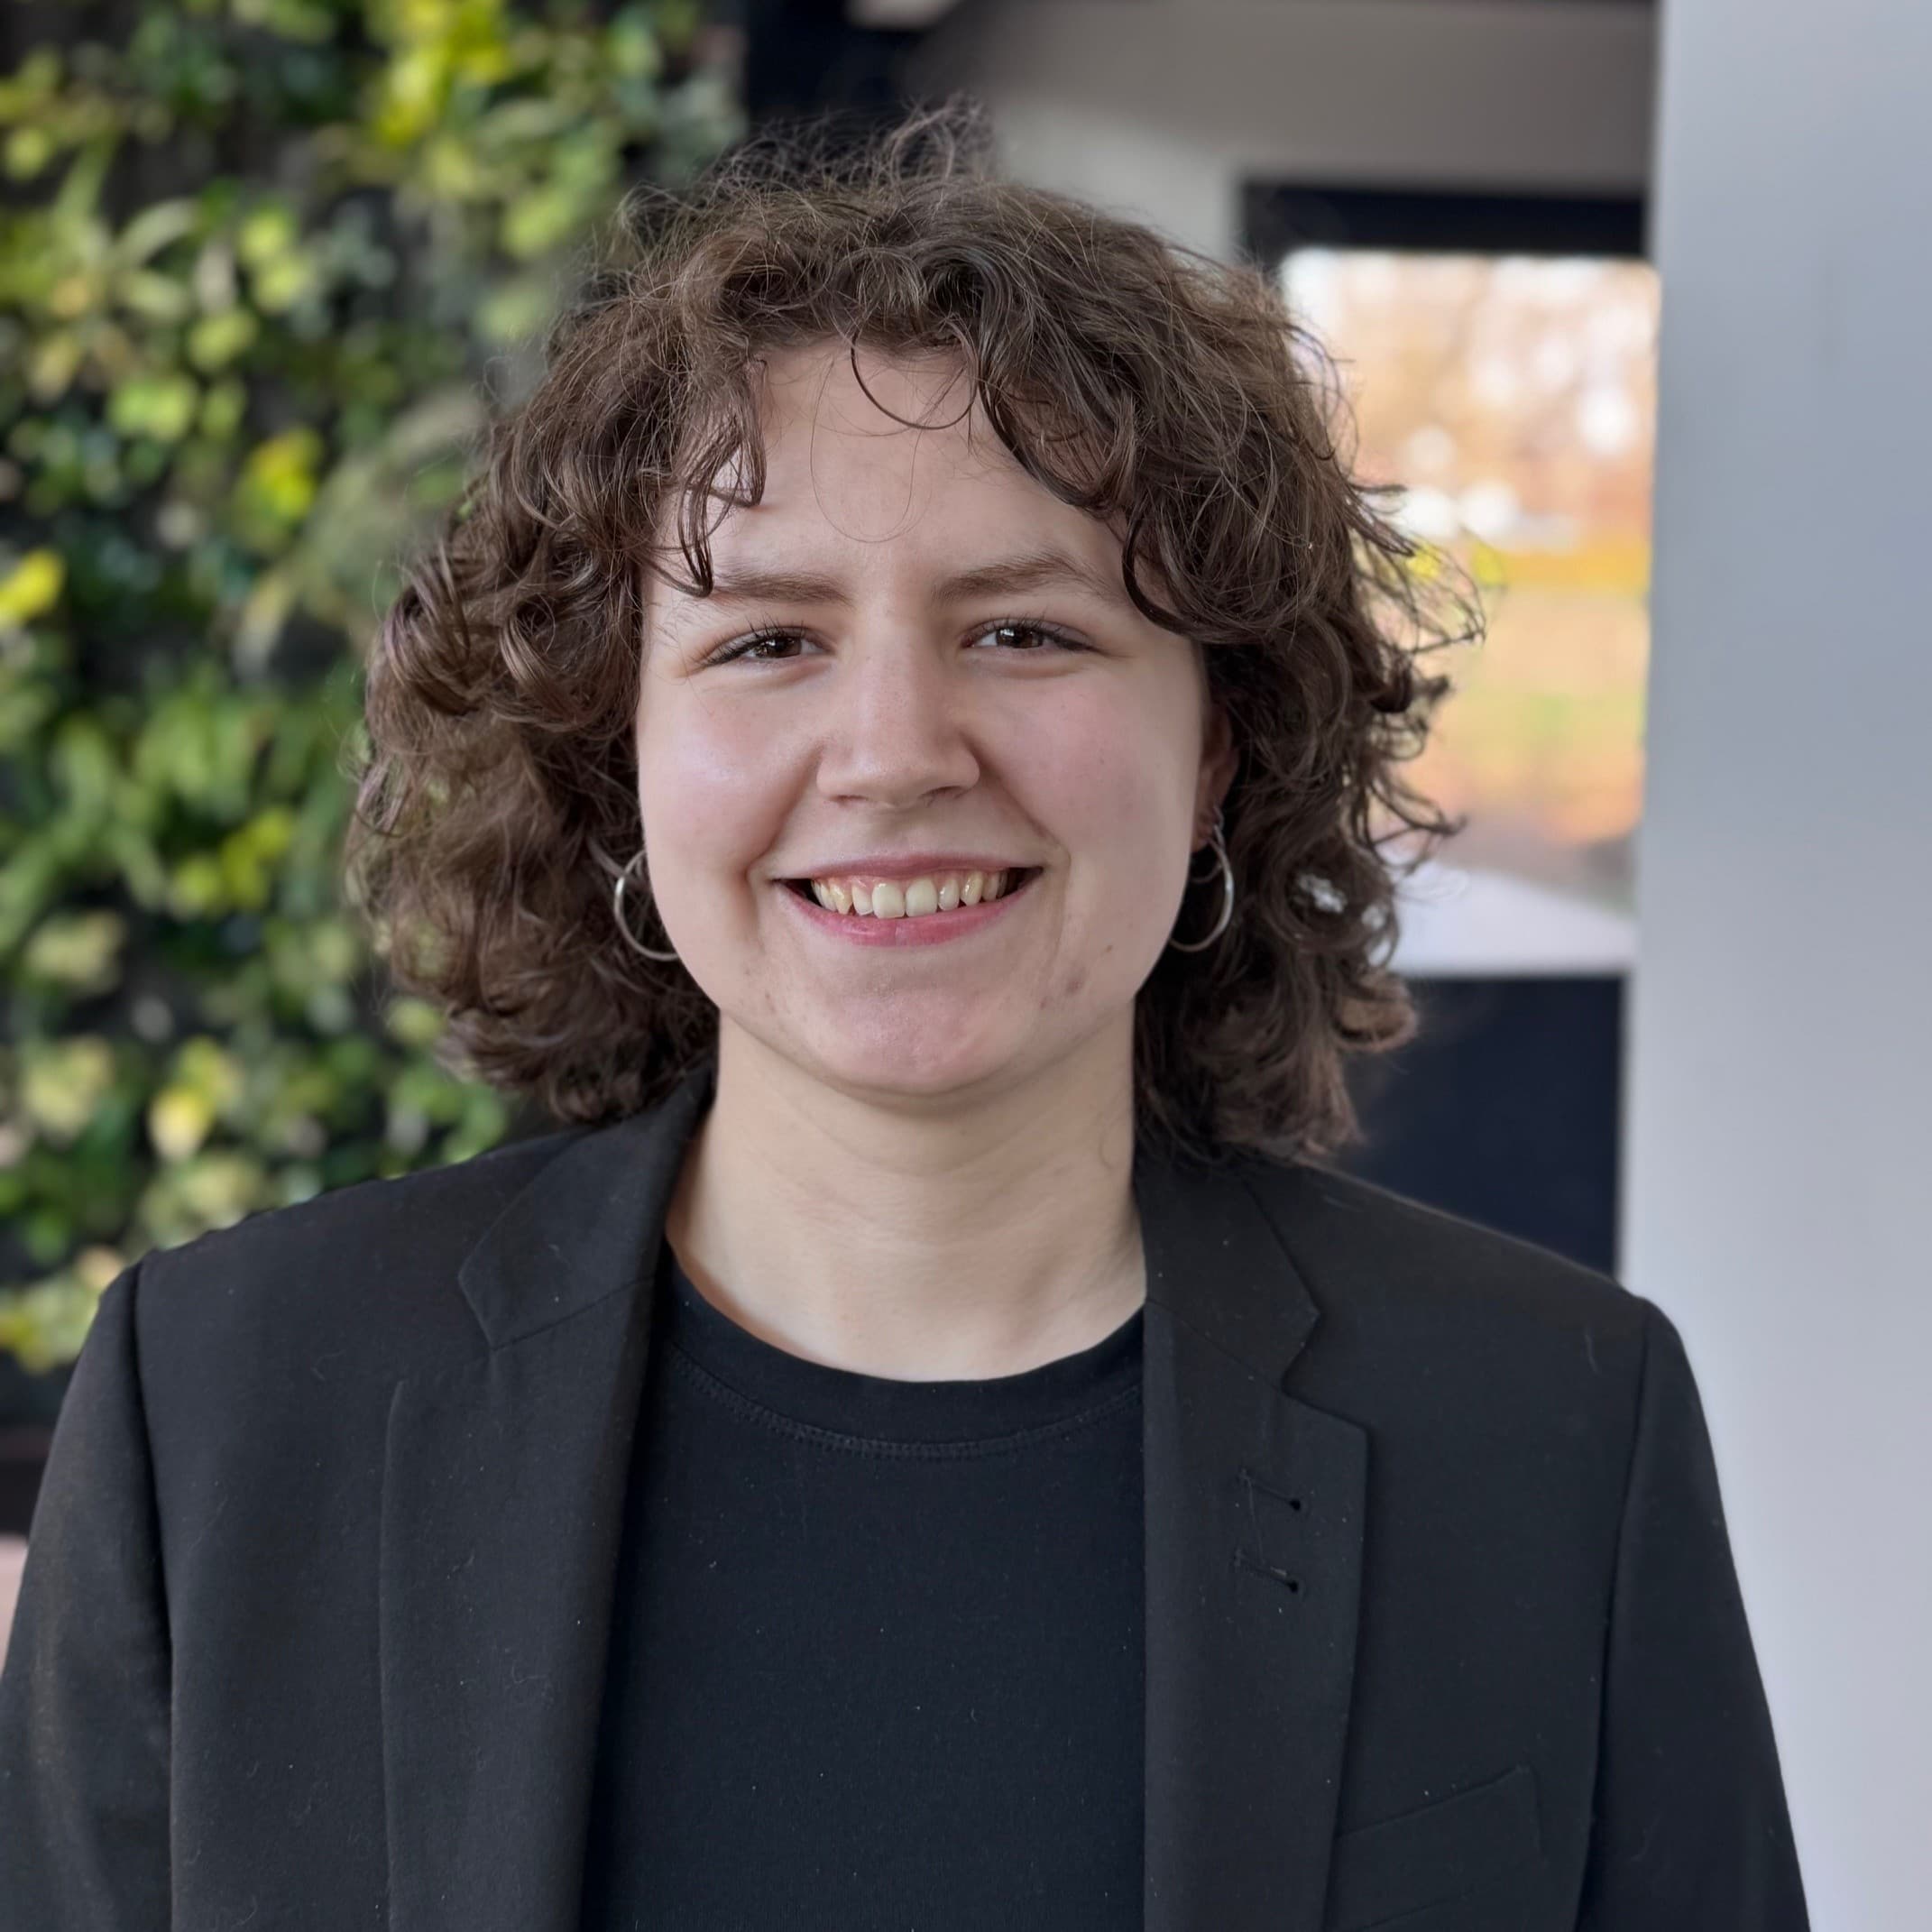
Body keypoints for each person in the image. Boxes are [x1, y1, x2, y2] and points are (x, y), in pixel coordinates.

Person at [0, 100, 1808, 1931]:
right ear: (621, 756)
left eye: (1024, 631)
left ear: (1216, 748)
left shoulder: (1550, 1428)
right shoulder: (221, 1411)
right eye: (766, 640)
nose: (892, 754)